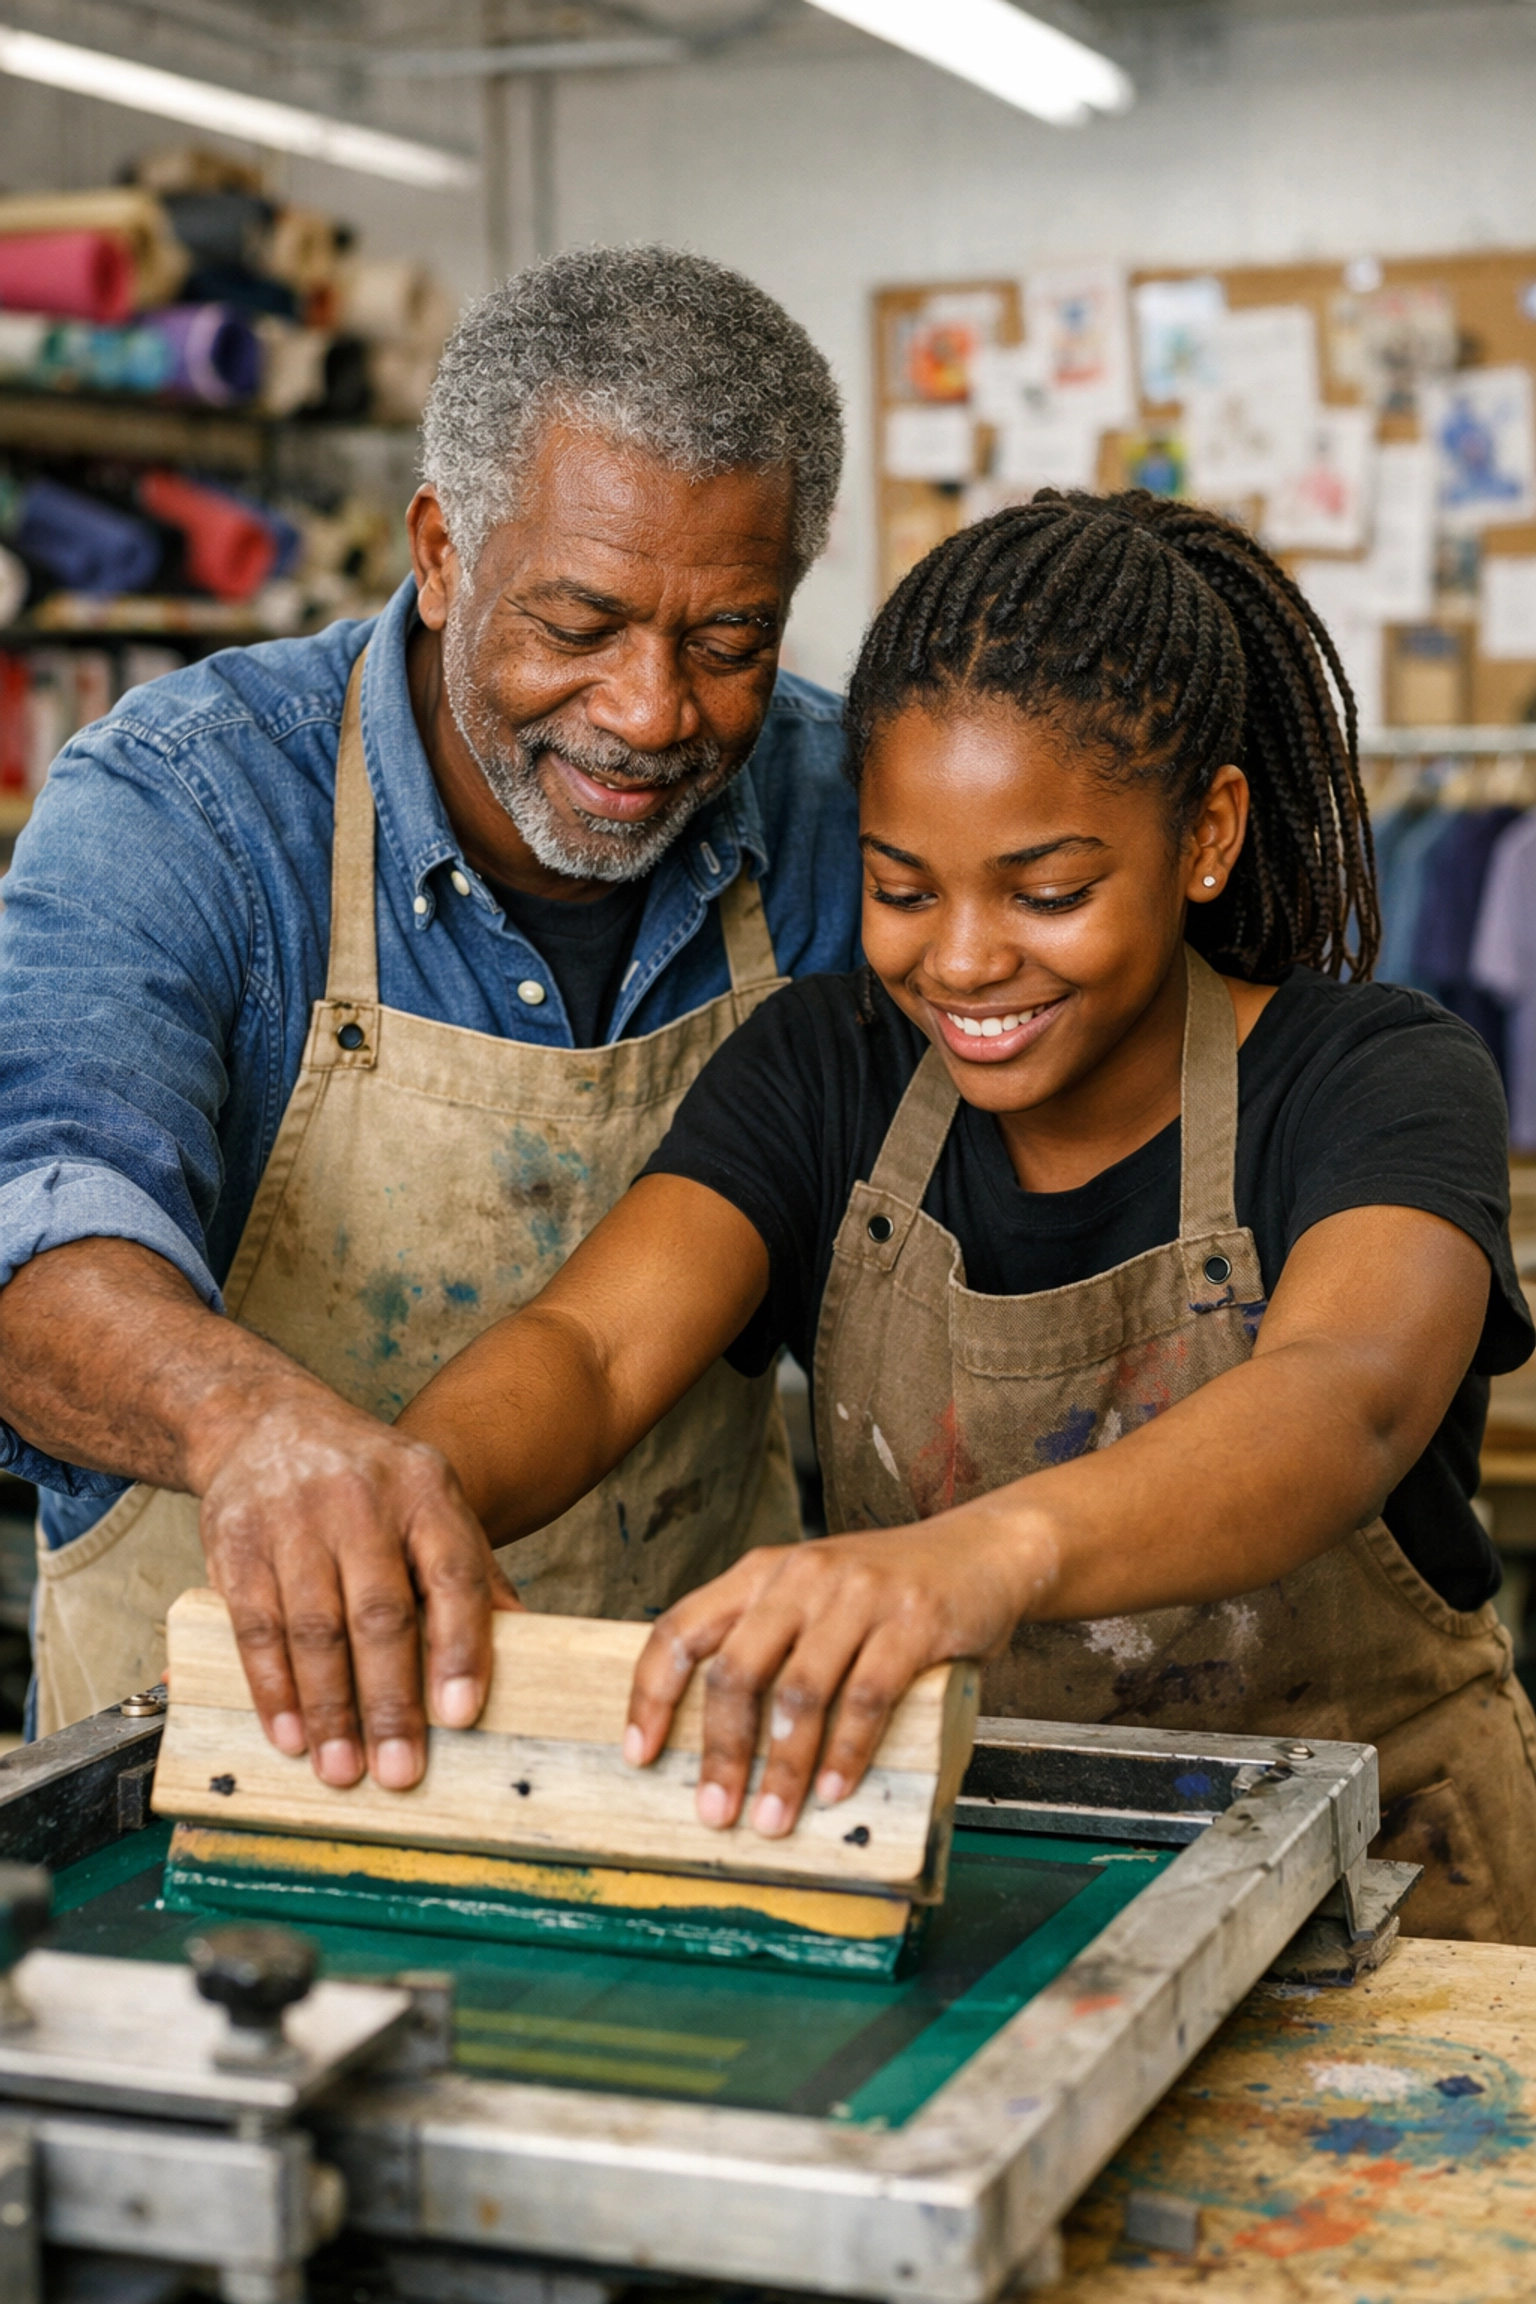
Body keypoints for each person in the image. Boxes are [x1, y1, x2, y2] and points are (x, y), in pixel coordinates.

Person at [398, 491, 1536, 1944]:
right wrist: (415, 1488)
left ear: (1206, 835)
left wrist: (980, 1560)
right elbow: (591, 1349)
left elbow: (1340, 1400)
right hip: (984, 1901)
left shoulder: (1376, 1077)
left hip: (1387, 1905)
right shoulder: (826, 1072)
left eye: (1047, 892)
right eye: (901, 889)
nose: (965, 961)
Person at [0, 246, 859, 1776]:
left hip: (678, 1742)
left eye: (729, 643)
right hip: (214, 1738)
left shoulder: (838, 813)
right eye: (578, 626)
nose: (650, 711)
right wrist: (249, 1423)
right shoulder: (186, 804)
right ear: (443, 550)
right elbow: (36, 1225)